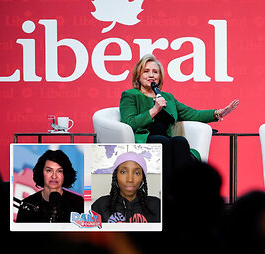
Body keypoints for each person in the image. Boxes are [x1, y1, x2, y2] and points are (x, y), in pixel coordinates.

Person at [119, 54, 239, 188]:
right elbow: (129, 123)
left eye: (155, 72)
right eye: (146, 71)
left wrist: (218, 113)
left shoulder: (167, 98)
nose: (151, 75)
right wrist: (154, 109)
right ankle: (165, 194)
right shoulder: (130, 95)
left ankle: (183, 194)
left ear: (159, 77)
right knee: (162, 141)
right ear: (138, 76)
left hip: (166, 139)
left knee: (180, 141)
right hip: (145, 139)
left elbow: (192, 114)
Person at [16, 149, 84, 223]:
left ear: (65, 174)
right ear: (41, 173)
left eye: (59, 171)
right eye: (49, 170)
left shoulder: (78, 202)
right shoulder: (27, 204)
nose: (54, 176)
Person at [91, 152, 160, 223]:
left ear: (142, 178)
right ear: (116, 176)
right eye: (123, 172)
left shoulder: (157, 205)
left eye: (137, 173)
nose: (130, 179)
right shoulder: (100, 205)